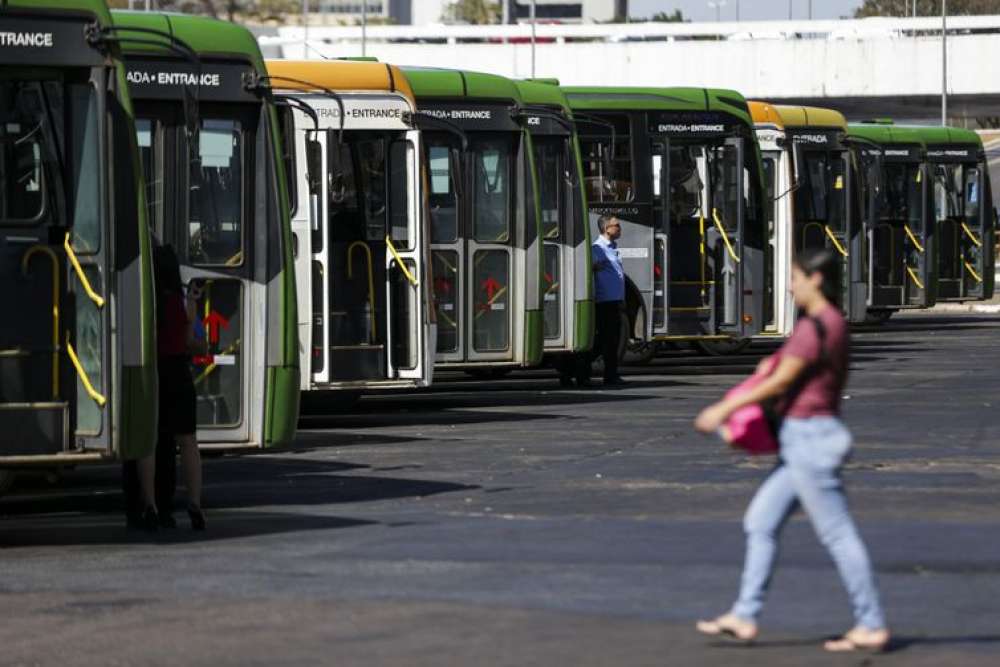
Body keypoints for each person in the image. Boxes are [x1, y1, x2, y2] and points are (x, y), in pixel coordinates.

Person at [693, 247, 889, 652]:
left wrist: (723, 409)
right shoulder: (832, 323)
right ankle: (744, 615)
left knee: (837, 534)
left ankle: (870, 623)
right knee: (760, 523)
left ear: (815, 279)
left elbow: (780, 382)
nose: (790, 285)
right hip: (804, 439)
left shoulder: (814, 326)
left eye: (795, 277)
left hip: (810, 441)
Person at [575, 214, 627, 388]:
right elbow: (588, 268)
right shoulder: (597, 248)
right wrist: (594, 267)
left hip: (615, 301)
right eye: (616, 225)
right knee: (603, 341)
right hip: (604, 303)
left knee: (612, 341)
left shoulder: (612, 247)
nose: (619, 228)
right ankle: (579, 372)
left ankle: (610, 374)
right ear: (606, 228)